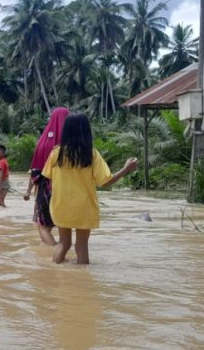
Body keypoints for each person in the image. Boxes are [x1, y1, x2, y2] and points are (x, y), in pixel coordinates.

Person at [43, 113, 138, 264]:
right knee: (81, 246)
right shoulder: (91, 154)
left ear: (66, 130)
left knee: (64, 243)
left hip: (61, 205)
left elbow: (48, 177)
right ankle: (83, 283)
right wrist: (126, 168)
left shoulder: (56, 153)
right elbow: (106, 182)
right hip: (84, 207)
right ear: (87, 130)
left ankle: (55, 275)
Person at [24, 107, 69, 246]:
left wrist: (28, 190)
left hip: (45, 189)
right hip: (68, 191)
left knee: (43, 227)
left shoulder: (43, 142)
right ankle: (61, 253)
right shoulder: (72, 143)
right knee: (65, 229)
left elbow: (35, 171)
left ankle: (54, 255)